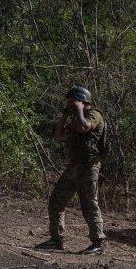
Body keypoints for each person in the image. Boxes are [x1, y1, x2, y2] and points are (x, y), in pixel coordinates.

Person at [35, 86, 107, 255]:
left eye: (71, 99)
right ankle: (56, 240)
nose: (67, 102)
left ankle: (99, 243)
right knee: (56, 201)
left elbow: (84, 127)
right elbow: (59, 135)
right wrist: (65, 115)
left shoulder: (94, 115)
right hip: (74, 166)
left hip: (88, 167)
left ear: (80, 99)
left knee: (89, 204)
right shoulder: (74, 118)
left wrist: (80, 109)